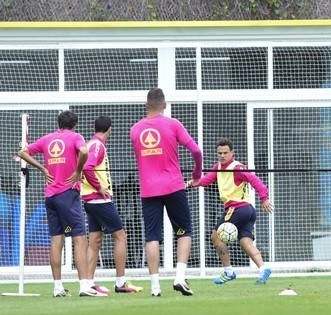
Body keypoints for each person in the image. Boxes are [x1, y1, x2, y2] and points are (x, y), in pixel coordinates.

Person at [16, 110, 98, 297]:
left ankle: (57, 287)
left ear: (59, 123)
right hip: (67, 194)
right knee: (79, 238)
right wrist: (78, 170)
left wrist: (43, 168)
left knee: (56, 239)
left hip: (50, 196)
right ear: (75, 124)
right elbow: (84, 151)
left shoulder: (47, 139)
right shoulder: (75, 136)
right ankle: (85, 286)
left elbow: (22, 152)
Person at [130, 88, 202, 297]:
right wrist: (196, 175)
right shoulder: (173, 124)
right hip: (173, 186)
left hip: (148, 189)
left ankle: (154, 287)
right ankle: (179, 277)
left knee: (152, 236)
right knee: (184, 231)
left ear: (146, 105)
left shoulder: (135, 130)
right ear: (165, 104)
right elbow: (196, 150)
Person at [188, 139, 273, 285]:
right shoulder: (218, 168)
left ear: (232, 153)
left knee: (215, 237)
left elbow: (255, 180)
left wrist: (264, 198)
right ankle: (263, 269)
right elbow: (207, 180)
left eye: (225, 153)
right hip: (248, 211)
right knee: (246, 243)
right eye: (219, 153)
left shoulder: (237, 168)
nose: (222, 156)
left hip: (237, 208)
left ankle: (229, 272)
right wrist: (193, 183)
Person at [81, 116, 143, 294]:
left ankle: (89, 284)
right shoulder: (98, 145)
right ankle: (121, 282)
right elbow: (88, 168)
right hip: (99, 200)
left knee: (94, 240)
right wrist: (99, 186)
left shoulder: (90, 143)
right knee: (121, 236)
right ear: (110, 129)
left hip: (89, 200)